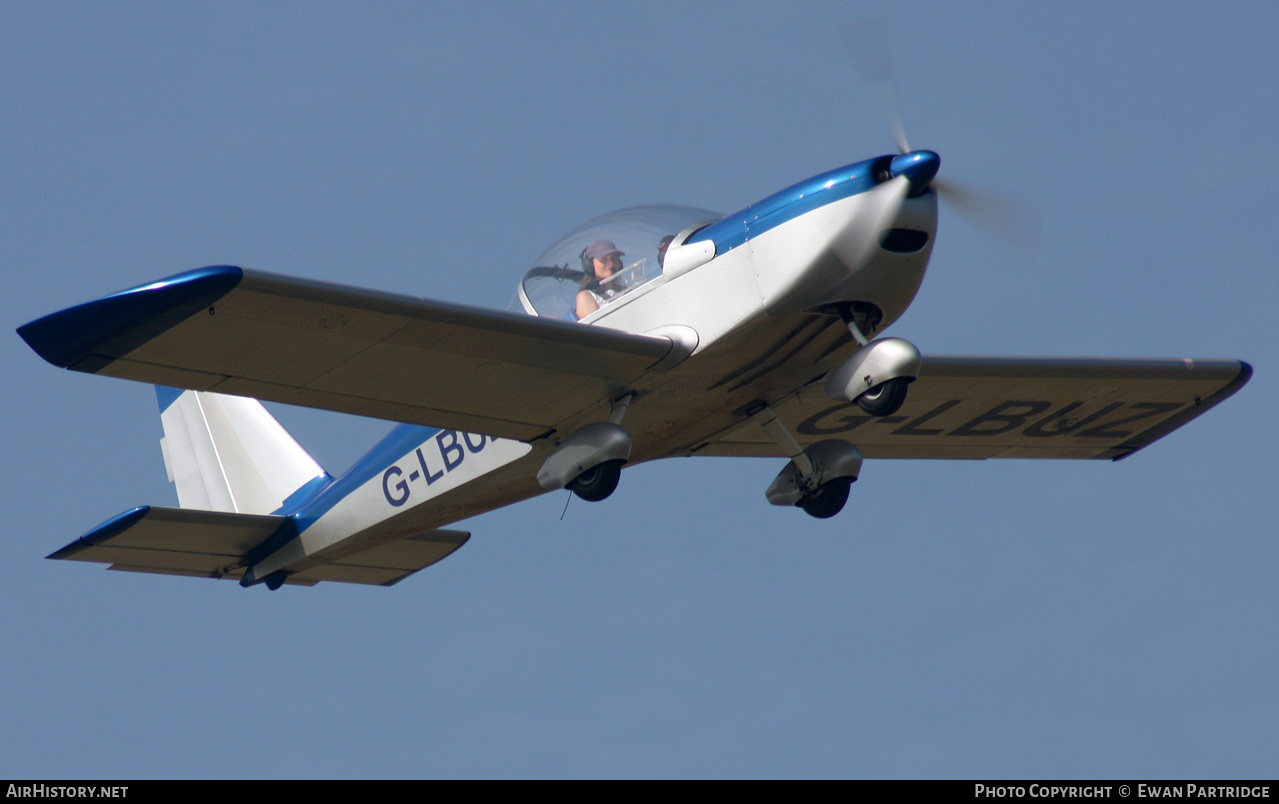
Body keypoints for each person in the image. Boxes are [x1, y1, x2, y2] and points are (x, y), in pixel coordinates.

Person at [575, 239, 625, 320]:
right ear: (590, 266)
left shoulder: (625, 290)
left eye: (614, 259)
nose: (611, 264)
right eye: (603, 260)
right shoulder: (586, 296)